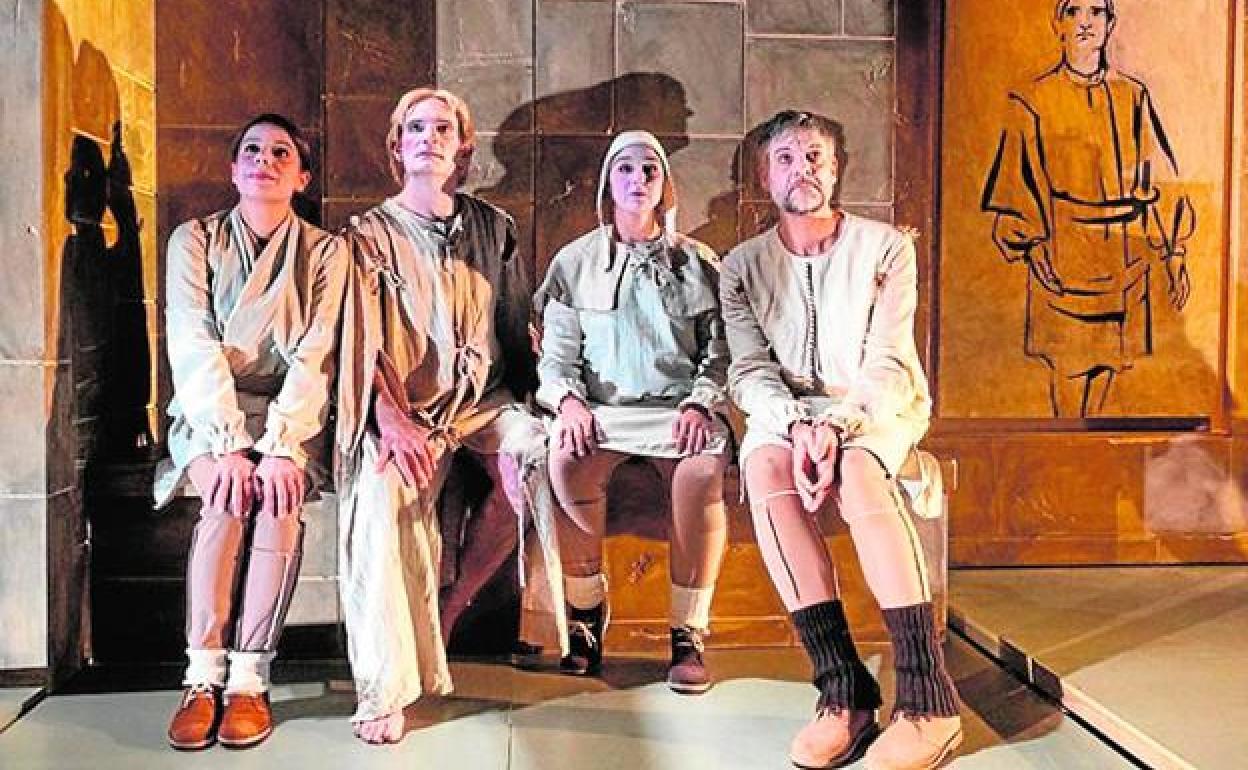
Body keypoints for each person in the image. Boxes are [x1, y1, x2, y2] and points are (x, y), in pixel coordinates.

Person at [720, 110, 961, 770]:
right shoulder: (740, 266)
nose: (802, 169)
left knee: (857, 471)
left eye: (815, 157)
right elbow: (748, 369)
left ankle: (928, 698)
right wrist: (798, 424)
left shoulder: (887, 248)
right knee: (765, 469)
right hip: (788, 414)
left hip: (876, 404)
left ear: (836, 169)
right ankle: (842, 689)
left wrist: (837, 425)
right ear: (764, 176)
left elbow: (887, 358)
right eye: (787, 158)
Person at [334, 87, 562, 745]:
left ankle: (453, 604)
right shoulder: (365, 236)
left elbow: (516, 327)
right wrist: (390, 419)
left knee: (538, 459)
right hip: (404, 407)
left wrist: (549, 401)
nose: (428, 139)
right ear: (397, 145)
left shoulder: (494, 227)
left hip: (483, 404)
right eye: (415, 128)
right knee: (382, 493)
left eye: (442, 129)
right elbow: (357, 343)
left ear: (462, 148)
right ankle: (384, 688)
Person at [155, 113, 346, 750]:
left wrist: (284, 445)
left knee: (279, 503)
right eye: (253, 151)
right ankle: (202, 673)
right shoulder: (194, 240)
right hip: (210, 406)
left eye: (281, 153)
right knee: (225, 495)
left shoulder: (326, 252)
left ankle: (249, 678)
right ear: (234, 169)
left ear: (302, 176)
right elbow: (191, 340)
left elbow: (316, 354)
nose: (265, 160)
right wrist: (228, 440)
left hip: (291, 411)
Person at [535, 130, 731, 693]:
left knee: (699, 473)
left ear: (665, 184)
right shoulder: (576, 262)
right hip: (604, 411)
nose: (638, 180)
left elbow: (720, 352)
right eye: (625, 169)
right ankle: (585, 614)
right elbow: (558, 356)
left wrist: (700, 403)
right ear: (607, 183)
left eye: (650, 170)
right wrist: (569, 402)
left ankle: (688, 633)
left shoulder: (698, 263)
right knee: (566, 460)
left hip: (678, 411)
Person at [981, 0, 1194, 417]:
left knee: (1104, 375)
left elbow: (1160, 180)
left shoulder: (1132, 95)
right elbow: (1016, 179)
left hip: (1125, 256)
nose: (1085, 22)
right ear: (1058, 23)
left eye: (1096, 12)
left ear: (1110, 23)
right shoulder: (1032, 99)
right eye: (1073, 11)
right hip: (1066, 253)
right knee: (1069, 375)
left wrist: (1175, 252)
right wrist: (1032, 244)